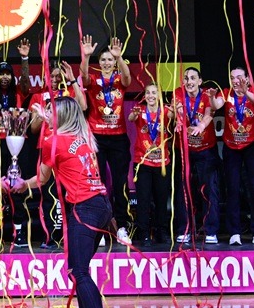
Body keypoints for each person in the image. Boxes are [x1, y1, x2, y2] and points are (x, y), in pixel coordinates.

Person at [14, 97, 119, 308]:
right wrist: (47, 120)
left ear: (61, 116)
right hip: (101, 206)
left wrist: (22, 185)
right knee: (80, 269)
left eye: (52, 111)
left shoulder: (54, 141)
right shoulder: (83, 136)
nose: (47, 113)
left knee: (78, 271)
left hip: (85, 208)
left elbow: (42, 178)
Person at [79, 35, 132, 245]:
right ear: (99, 63)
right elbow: (83, 78)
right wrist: (86, 57)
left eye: (110, 59)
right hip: (97, 138)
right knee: (98, 185)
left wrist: (120, 58)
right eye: (104, 60)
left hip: (119, 139)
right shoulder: (94, 79)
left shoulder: (119, 80)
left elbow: (127, 78)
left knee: (120, 184)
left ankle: (122, 227)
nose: (107, 62)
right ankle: (100, 228)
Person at [0, 39, 32, 250]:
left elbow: (26, 82)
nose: (5, 77)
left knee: (17, 187)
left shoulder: (18, 93)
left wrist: (24, 58)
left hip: (17, 147)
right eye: (1, 74)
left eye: (8, 73)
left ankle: (18, 232)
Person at [29, 61, 87, 248]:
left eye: (57, 76)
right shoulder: (38, 96)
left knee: (69, 191)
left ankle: (71, 234)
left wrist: (72, 81)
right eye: (50, 76)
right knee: (49, 193)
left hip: (69, 148)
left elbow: (83, 106)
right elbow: (33, 129)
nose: (54, 79)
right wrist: (42, 114)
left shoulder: (69, 93)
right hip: (47, 148)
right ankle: (52, 236)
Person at [213, 67, 254, 246]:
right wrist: (212, 98)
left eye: (239, 78)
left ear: (247, 79)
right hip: (231, 146)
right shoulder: (226, 92)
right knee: (233, 189)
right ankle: (234, 232)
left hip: (252, 146)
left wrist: (246, 91)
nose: (235, 81)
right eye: (232, 78)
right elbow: (216, 105)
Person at [173, 67, 221, 246]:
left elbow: (210, 114)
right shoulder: (178, 93)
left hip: (206, 150)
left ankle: (211, 230)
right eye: (186, 78)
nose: (189, 81)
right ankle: (184, 230)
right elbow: (178, 109)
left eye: (193, 78)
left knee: (209, 189)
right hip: (184, 150)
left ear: (200, 81)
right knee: (183, 190)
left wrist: (201, 125)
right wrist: (179, 121)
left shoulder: (207, 94)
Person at [128, 83, 174, 245]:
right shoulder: (139, 111)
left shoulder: (166, 111)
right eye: (148, 93)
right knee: (143, 200)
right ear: (145, 96)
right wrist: (134, 114)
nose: (151, 95)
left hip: (162, 164)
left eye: (154, 93)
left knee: (161, 200)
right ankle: (144, 234)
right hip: (142, 163)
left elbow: (174, 116)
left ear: (159, 96)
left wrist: (175, 110)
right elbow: (131, 118)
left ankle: (162, 232)